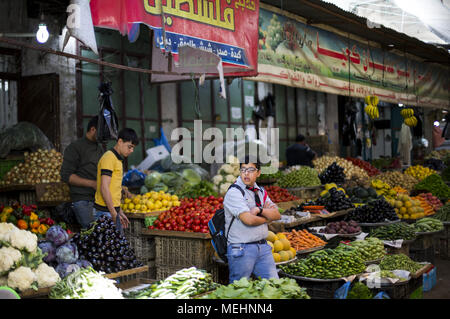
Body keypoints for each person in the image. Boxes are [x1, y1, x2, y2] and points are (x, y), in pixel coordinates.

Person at [223, 156, 281, 283]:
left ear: (258, 172)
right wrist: (267, 218)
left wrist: (260, 211)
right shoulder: (235, 192)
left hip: (263, 247)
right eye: (243, 169)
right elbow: (248, 220)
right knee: (240, 290)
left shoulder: (260, 191)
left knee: (273, 285)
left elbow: (277, 214)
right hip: (241, 249)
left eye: (250, 170)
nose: (246, 173)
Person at [60, 116, 104, 229]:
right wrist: (93, 184)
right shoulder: (75, 147)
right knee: (92, 233)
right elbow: (66, 176)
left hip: (99, 200)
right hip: (82, 200)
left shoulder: (99, 149)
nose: (104, 136)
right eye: (102, 131)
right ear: (93, 129)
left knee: (102, 235)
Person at [93, 128, 139, 234]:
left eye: (133, 148)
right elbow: (104, 187)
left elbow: (114, 189)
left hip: (111, 211)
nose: (131, 151)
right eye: (130, 147)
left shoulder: (118, 159)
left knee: (116, 247)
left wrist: (119, 211)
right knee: (108, 249)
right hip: (105, 212)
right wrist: (114, 213)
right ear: (120, 141)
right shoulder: (109, 158)